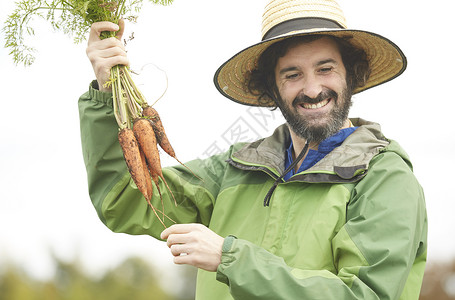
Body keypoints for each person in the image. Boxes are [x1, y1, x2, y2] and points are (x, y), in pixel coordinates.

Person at [79, 0, 427, 299]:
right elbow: (122, 200)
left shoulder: (384, 178)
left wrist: (229, 258)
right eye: (292, 75)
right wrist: (108, 91)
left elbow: (363, 294)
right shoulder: (232, 171)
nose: (312, 88)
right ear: (271, 89)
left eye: (325, 69)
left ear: (350, 74)